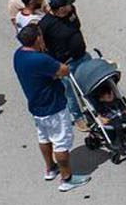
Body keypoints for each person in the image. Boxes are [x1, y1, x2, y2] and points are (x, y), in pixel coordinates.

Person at [12, 23, 91, 192]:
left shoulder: (18, 55)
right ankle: (67, 178)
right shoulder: (40, 59)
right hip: (53, 105)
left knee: (44, 138)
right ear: (37, 38)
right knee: (61, 142)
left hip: (36, 106)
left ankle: (50, 168)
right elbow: (63, 70)